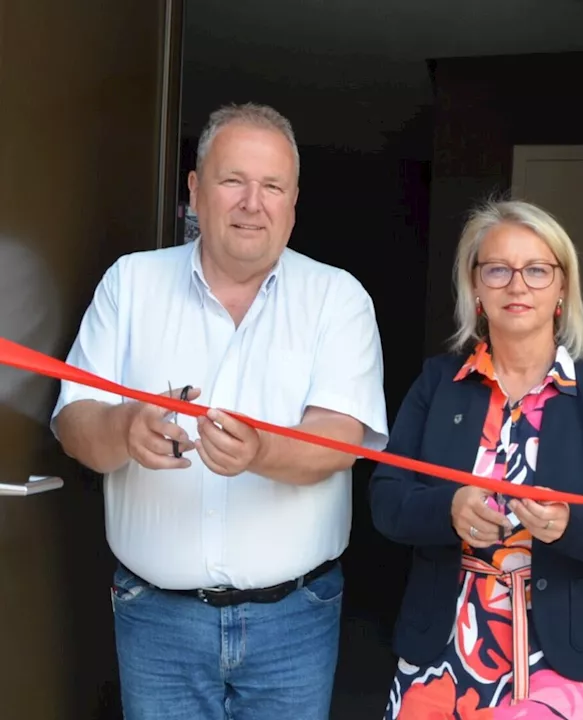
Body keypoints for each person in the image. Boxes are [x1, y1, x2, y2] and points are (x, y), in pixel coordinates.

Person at [50, 103, 389, 719]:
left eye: (273, 186)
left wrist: (262, 451)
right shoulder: (130, 284)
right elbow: (75, 424)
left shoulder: (337, 298)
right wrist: (123, 429)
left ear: (293, 202)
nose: (251, 203)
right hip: (156, 618)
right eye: (233, 180)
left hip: (295, 620)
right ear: (195, 189)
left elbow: (343, 440)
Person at [369, 199, 583, 719]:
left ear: (563, 287)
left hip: (562, 660)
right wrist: (448, 510)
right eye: (498, 269)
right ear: (475, 287)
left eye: (537, 270)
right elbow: (387, 501)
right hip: (445, 655)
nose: (517, 285)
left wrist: (568, 523)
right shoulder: (438, 385)